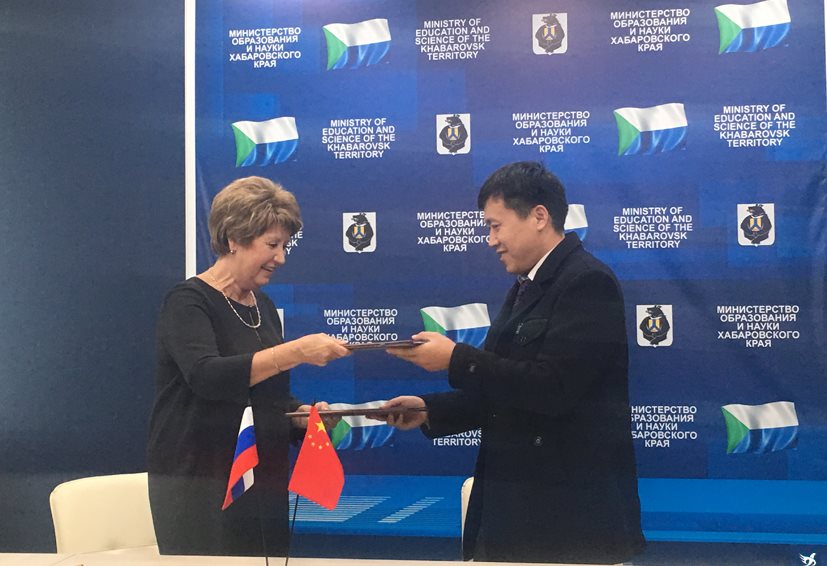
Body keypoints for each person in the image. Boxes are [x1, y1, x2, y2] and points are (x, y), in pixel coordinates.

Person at [383, 162, 645, 564]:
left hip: (568, 522)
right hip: (517, 513)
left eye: (495, 226)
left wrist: (455, 358)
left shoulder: (587, 282)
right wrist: (428, 409)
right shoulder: (525, 287)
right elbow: (503, 392)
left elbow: (553, 388)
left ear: (539, 216)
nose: (490, 240)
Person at [147, 176, 350, 556]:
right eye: (272, 245)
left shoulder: (264, 307)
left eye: (284, 246)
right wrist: (296, 351)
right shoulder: (187, 302)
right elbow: (207, 377)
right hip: (200, 480)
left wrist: (301, 417)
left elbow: (267, 395)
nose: (281, 258)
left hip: (263, 479)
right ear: (233, 239)